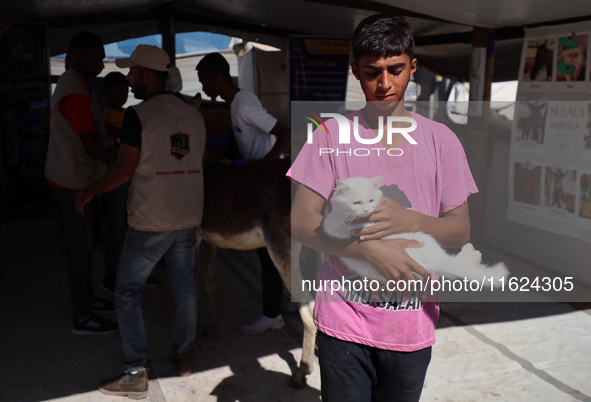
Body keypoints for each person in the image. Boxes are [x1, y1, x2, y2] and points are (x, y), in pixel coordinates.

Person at [288, 14, 478, 401]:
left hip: (412, 325)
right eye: (372, 71)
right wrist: (366, 248)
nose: (384, 83)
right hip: (344, 321)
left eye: (395, 69)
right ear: (355, 71)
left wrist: (410, 219)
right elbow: (300, 221)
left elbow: (460, 229)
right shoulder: (330, 136)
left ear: (413, 66)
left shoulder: (442, 141)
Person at [75, 44, 206, 398]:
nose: (129, 78)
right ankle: (185, 356)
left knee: (126, 293)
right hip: (188, 214)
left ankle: (135, 372)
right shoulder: (194, 114)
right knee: (185, 290)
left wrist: (89, 192)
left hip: (152, 218)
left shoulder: (139, 115)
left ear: (148, 75)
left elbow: (123, 171)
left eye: (132, 72)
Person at [196, 52, 293, 335]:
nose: (203, 88)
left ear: (216, 78)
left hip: (267, 183)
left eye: (204, 82)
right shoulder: (237, 103)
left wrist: (263, 164)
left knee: (269, 249)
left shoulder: (244, 105)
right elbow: (246, 133)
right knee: (272, 249)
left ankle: (271, 314)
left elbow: (284, 133)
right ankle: (283, 303)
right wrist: (226, 141)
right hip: (258, 182)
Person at [45, 31, 118, 335]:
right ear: (73, 58)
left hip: (74, 176)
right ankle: (82, 316)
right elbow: (90, 146)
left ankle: (87, 298)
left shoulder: (80, 84)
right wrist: (125, 162)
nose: (100, 64)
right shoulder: (74, 92)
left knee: (85, 245)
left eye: (101, 57)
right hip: (73, 182)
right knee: (81, 247)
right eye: (93, 59)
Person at [101, 72, 161, 295]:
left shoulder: (129, 115)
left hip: (135, 178)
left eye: (126, 92)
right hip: (115, 179)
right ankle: (111, 275)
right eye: (118, 92)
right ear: (106, 93)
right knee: (116, 228)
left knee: (136, 227)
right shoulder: (103, 116)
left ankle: (138, 273)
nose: (123, 96)